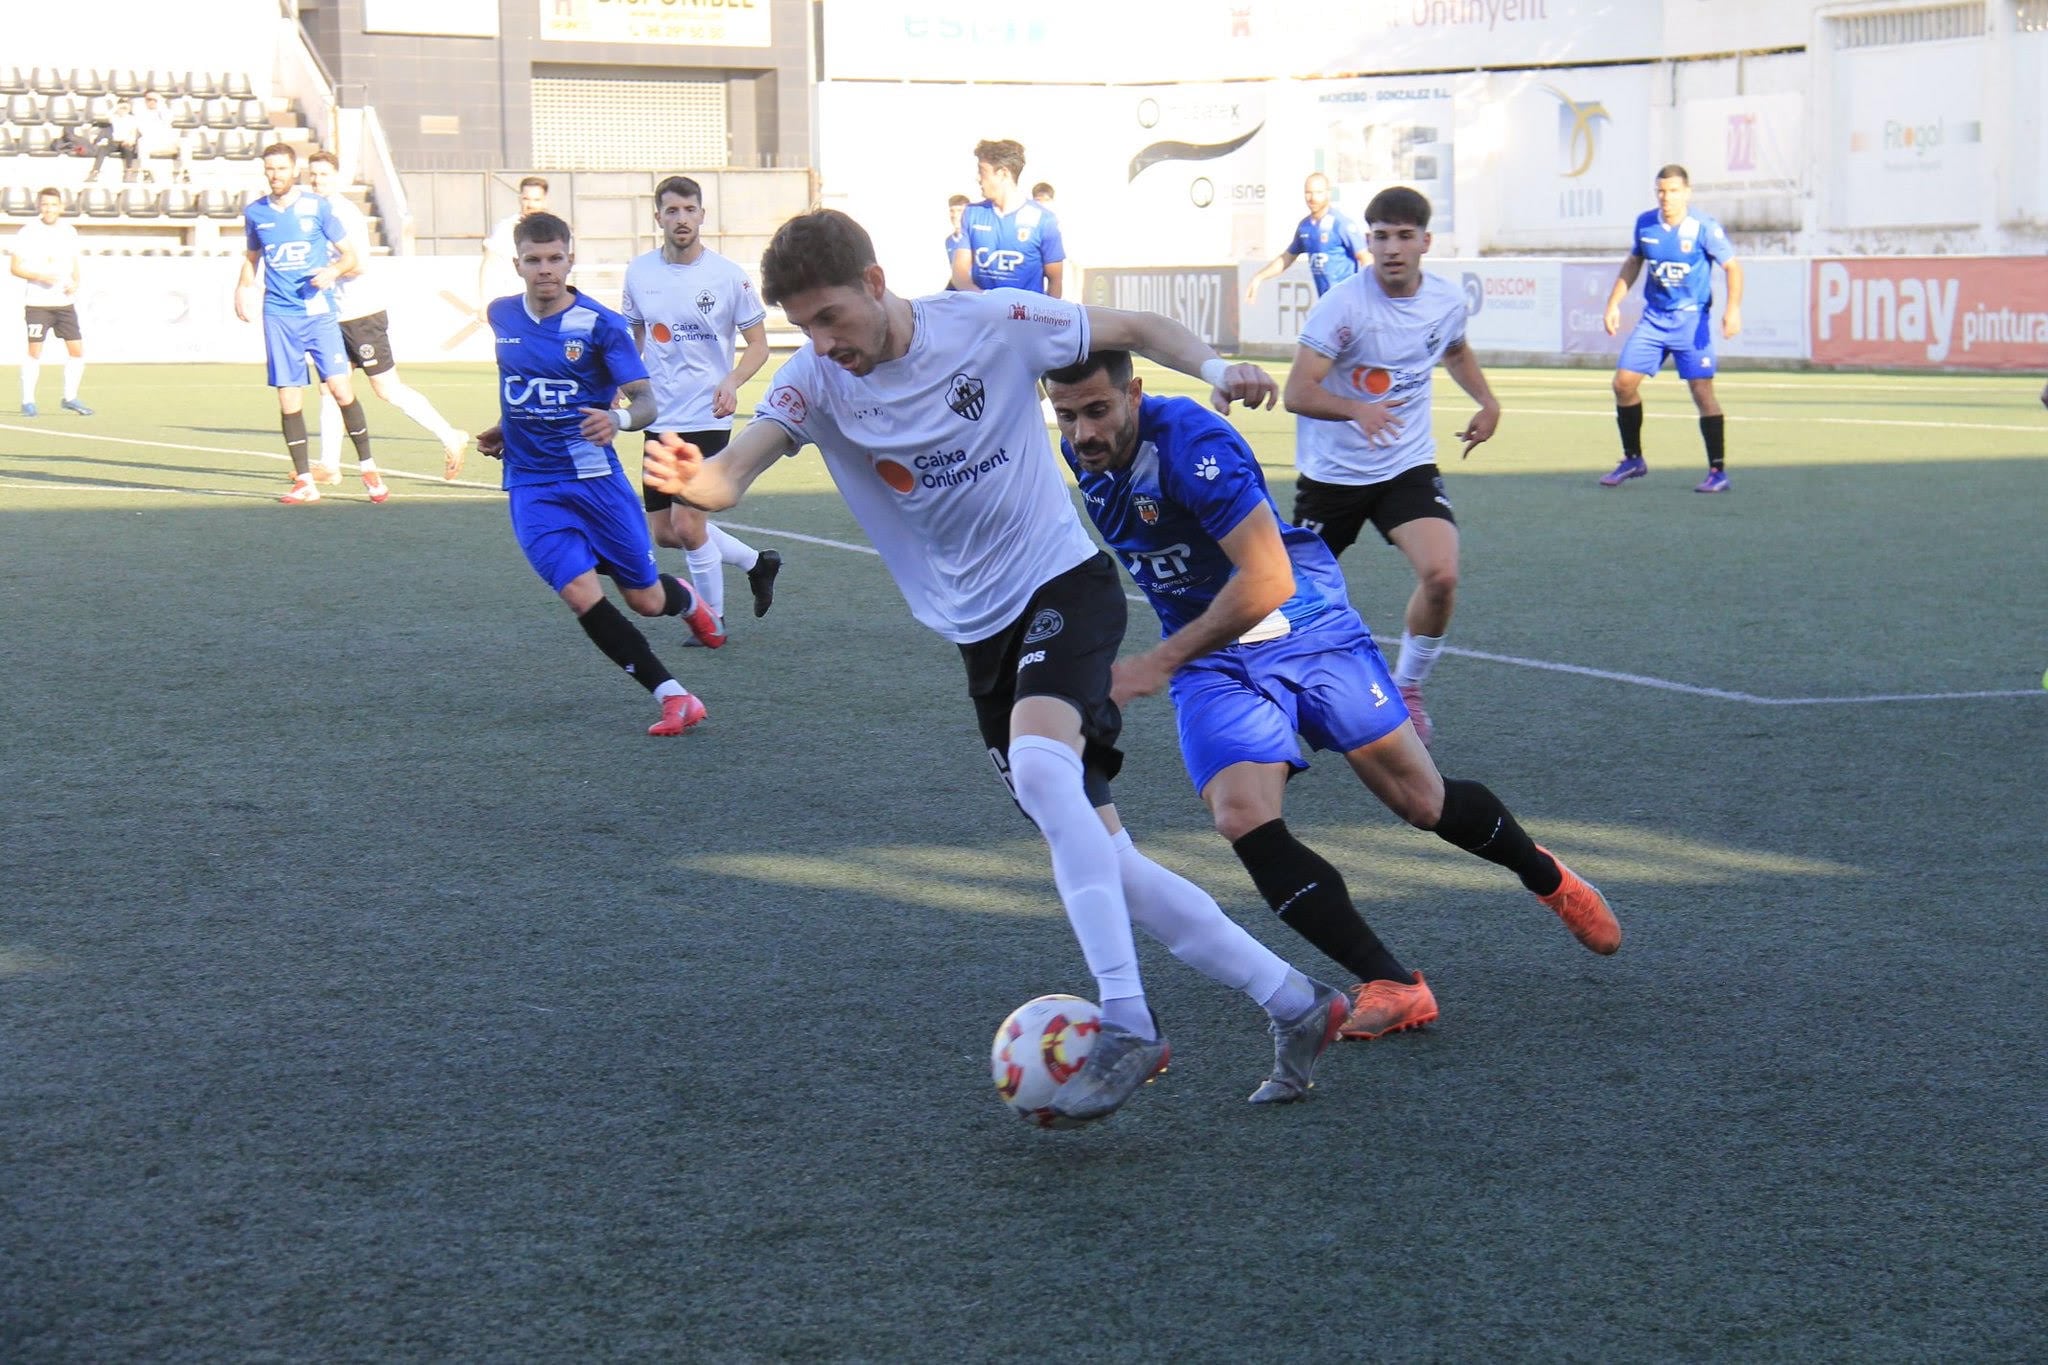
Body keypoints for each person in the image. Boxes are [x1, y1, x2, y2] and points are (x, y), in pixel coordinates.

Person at [644, 208, 1349, 1118]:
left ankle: (1127, 1020)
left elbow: (1136, 329)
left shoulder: (988, 323)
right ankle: (1298, 1002)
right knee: (1106, 857)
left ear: (874, 281)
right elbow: (732, 473)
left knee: (1042, 766)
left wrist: (1216, 367)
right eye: (803, 326)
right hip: (977, 632)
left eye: (830, 317)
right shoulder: (812, 379)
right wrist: (686, 482)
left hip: (1063, 584)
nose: (822, 341)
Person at [1044, 349, 1622, 1040]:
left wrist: (1156, 662)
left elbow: (1269, 580)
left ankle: (1546, 876)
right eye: (1068, 414)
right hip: (1215, 661)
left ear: (1134, 393)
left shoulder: (1194, 447)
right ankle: (1395, 982)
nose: (1083, 433)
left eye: (1099, 411)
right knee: (1239, 814)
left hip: (1304, 626)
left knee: (1422, 801)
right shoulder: (1085, 451)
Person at [473, 212, 724, 736]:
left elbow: (647, 402)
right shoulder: (501, 316)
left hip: (595, 484)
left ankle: (683, 597)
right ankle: (674, 696)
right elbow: (523, 385)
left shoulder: (600, 324)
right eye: (534, 260)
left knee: (646, 599)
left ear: (571, 258)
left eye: (555, 258)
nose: (545, 270)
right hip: (531, 486)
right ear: (517, 263)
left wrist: (618, 419)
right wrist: (505, 426)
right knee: (580, 594)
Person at [1280, 186, 1498, 746]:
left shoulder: (1447, 302)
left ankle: (1407, 689)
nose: (1392, 248)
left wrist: (1487, 401)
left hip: (1405, 466)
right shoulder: (1343, 307)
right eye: (1381, 236)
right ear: (1368, 242)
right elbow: (1297, 392)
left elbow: (1454, 350)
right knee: (1287, 598)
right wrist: (1357, 409)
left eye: (1404, 236)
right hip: (1334, 477)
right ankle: (1279, 693)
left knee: (1442, 574)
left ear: (1426, 241)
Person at [620, 175, 780, 639]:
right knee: (666, 533)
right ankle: (757, 563)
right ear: (659, 218)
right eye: (672, 211)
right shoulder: (640, 272)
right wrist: (623, 384)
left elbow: (758, 344)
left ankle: (712, 620)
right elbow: (634, 338)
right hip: (658, 414)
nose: (682, 219)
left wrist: (732, 381)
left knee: (689, 527)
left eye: (690, 210)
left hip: (707, 414)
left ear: (702, 216)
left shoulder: (728, 276)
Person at [303, 151, 471, 483]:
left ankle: (450, 435)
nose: (317, 180)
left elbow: (360, 262)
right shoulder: (316, 211)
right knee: (331, 387)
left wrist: (330, 272)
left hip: (361, 313)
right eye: (313, 175)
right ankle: (329, 465)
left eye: (323, 174)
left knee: (387, 389)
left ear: (336, 177)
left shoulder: (344, 213)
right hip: (334, 315)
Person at [233, 143, 386, 505]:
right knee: (289, 398)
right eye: (270, 169)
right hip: (279, 315)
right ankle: (304, 481)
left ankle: (368, 468)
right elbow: (252, 257)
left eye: (281, 169)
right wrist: (242, 288)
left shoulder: (317, 208)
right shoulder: (256, 213)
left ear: (293, 171)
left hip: (318, 313)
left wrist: (332, 271)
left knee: (340, 390)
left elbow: (350, 256)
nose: (275, 175)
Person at [1599, 163, 1743, 493]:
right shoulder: (1645, 223)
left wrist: (1732, 309)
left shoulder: (1703, 227)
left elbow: (1733, 268)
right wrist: (1613, 303)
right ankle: (1633, 458)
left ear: (1687, 193)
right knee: (1623, 384)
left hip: (1692, 321)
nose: (1667, 197)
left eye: (1674, 191)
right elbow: (1635, 261)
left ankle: (1717, 471)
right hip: (1655, 319)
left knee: (1702, 393)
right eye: (1661, 191)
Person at [11, 188, 92, 417]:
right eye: (45, 204)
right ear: (39, 206)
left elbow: (74, 263)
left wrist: (75, 282)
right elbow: (15, 267)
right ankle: (28, 401)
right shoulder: (28, 232)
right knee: (35, 351)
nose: (49, 209)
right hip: (37, 303)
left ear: (61, 207)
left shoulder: (69, 231)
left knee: (77, 350)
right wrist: (39, 276)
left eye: (53, 205)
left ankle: (70, 397)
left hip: (64, 303)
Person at [952, 139, 1065, 297]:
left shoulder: (1044, 220)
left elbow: (1056, 280)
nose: (977, 178)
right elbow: (960, 273)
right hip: (982, 316)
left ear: (1003, 173)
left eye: (982, 171)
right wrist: (983, 299)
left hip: (1025, 318)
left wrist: (1047, 318)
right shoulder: (972, 213)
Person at [1244, 173, 1366, 304]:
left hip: (1348, 301)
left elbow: (1366, 258)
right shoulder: (1305, 227)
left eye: (1318, 192)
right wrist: (1258, 278)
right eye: (1308, 193)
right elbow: (1287, 258)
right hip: (1326, 303)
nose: (1312, 198)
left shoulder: (1341, 224)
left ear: (1328, 194)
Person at [481, 176, 550, 302]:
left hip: (547, 304)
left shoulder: (556, 230)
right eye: (526, 199)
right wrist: (484, 302)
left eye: (536, 200)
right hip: (513, 302)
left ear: (545, 201)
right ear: (520, 199)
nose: (530, 204)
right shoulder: (505, 229)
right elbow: (489, 265)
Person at [133, 90, 192, 185]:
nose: (152, 102)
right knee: (142, 141)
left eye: (155, 99)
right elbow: (143, 130)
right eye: (149, 99)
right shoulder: (140, 114)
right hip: (151, 143)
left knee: (185, 142)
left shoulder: (165, 112)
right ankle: (146, 172)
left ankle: (186, 172)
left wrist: (160, 106)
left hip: (167, 143)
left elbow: (167, 119)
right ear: (145, 100)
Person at [88, 98, 141, 184]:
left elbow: (134, 132)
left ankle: (128, 172)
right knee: (102, 149)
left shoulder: (132, 118)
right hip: (114, 142)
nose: (123, 110)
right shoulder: (114, 117)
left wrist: (130, 140)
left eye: (125, 108)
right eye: (122, 107)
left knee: (128, 149)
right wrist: (117, 107)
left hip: (126, 142)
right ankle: (95, 172)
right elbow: (106, 115)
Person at [942, 193, 969, 291]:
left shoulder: (975, 238)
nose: (955, 215)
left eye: (959, 211)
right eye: (952, 211)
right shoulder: (949, 240)